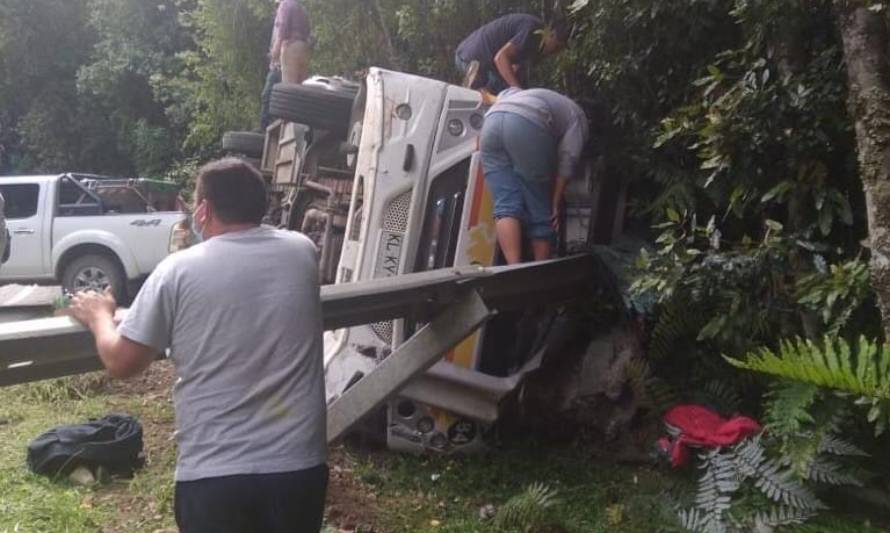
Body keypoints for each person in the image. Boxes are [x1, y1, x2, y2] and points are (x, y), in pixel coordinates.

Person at [69, 158, 328, 533]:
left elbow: (122, 362)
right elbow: (241, 294)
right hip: (300, 470)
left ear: (204, 210)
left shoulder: (178, 270)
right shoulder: (302, 252)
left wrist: (99, 317)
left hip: (216, 475)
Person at [480, 87, 589, 264]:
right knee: (541, 210)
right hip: (526, 124)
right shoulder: (578, 116)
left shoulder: (529, 93)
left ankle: (513, 269)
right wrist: (555, 200)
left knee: (505, 205)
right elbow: (567, 160)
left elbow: (502, 99)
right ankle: (538, 272)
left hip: (490, 124)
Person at [455, 14, 570, 95]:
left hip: (488, 63)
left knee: (507, 90)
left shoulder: (537, 46)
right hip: (471, 57)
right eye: (557, 47)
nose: (556, 52)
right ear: (551, 34)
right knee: (499, 93)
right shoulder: (532, 31)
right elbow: (500, 58)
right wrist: (519, 92)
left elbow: (514, 67)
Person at [260, 0, 313, 130]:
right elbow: (308, 31)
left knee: (289, 90)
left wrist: (276, 50)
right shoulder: (301, 8)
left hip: (290, 46)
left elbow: (283, 28)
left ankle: (288, 128)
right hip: (303, 48)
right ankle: (302, 125)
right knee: (301, 89)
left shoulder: (286, 4)